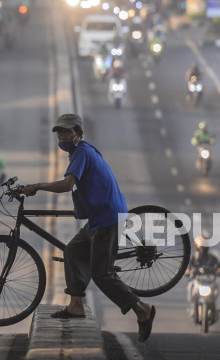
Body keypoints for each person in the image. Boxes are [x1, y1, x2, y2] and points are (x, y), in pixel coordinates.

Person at [22, 113, 156, 342]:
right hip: (97, 219)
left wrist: (37, 186)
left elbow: (67, 184)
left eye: (68, 132)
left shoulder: (82, 152)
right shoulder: (79, 152)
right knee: (73, 250)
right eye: (60, 132)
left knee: (101, 273)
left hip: (108, 219)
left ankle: (141, 309)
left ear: (79, 134)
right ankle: (75, 305)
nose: (63, 136)